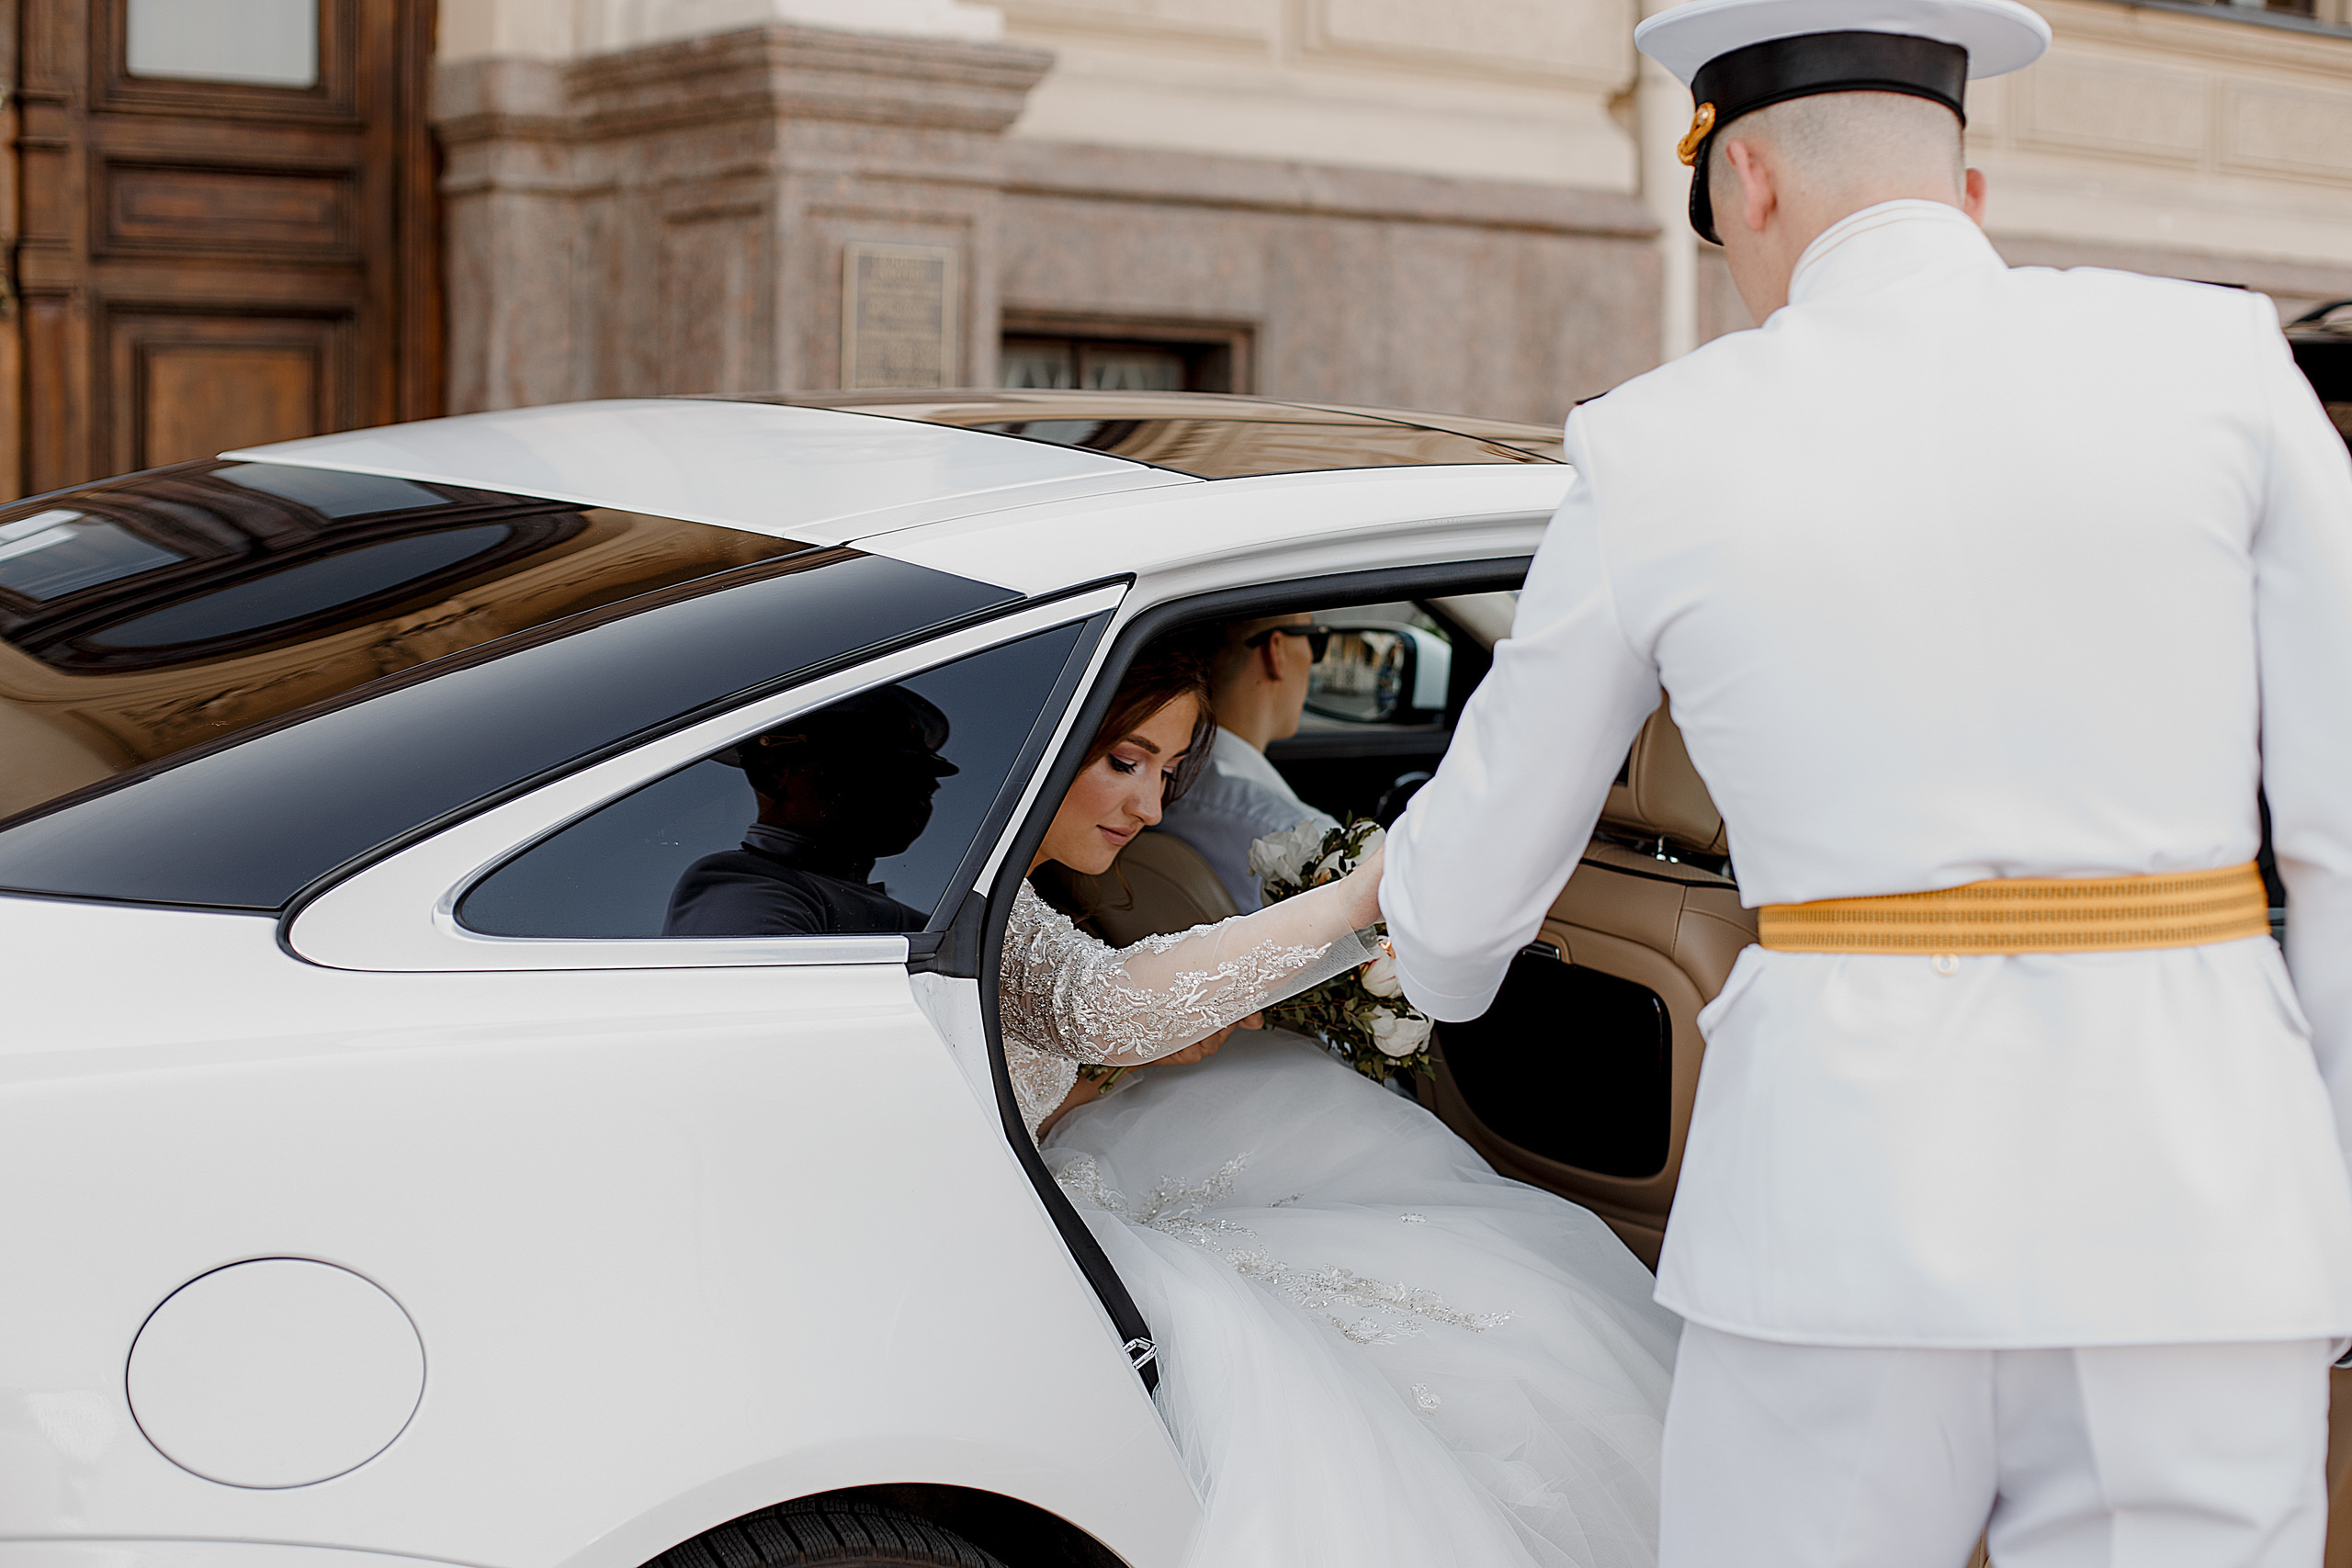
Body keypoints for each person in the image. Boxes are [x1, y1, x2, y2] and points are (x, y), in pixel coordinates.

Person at [1381, 0, 2352, 1562]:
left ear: (1744, 181)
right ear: (1967, 185)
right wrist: (2324, 1188)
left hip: (1839, 1213)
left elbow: (1464, 895)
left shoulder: (1657, 445)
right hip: (2202, 1201)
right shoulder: (2222, 362)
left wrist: (1428, 954)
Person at [1010, 640, 1679, 1567]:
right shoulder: (998, 919)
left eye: (1168, 772)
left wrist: (1107, 1074)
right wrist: (1353, 904)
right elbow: (1104, 1007)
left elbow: (1042, 1060)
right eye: (1125, 763)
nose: (1152, 807)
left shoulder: (994, 896)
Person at [665, 684, 952, 936]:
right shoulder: (739, 889)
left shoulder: (823, 892)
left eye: (921, 774)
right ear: (772, 773)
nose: (926, 786)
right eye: (883, 767)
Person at [1156, 614, 1340, 910]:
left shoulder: (1162, 794)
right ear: (1275, 650)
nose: (1312, 659)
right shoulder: (1306, 843)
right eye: (1316, 641)